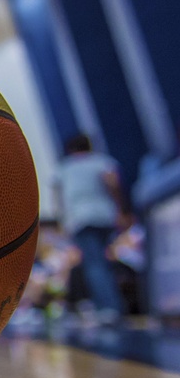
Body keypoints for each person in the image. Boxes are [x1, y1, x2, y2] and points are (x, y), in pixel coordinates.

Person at [53, 134, 128, 325]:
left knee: (95, 265)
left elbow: (59, 195)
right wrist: (121, 209)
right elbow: (112, 184)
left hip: (80, 219)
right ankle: (115, 305)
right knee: (107, 262)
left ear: (70, 149)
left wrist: (63, 221)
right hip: (104, 215)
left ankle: (108, 308)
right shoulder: (101, 161)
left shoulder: (65, 168)